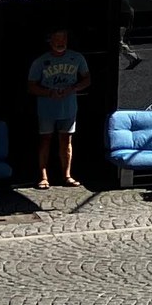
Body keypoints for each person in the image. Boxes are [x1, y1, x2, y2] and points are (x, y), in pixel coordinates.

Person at [25, 26, 90, 188]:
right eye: (57, 39)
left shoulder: (77, 58)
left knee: (66, 140)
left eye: (64, 39)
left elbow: (87, 80)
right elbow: (31, 86)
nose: (61, 43)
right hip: (46, 108)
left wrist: (73, 88)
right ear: (50, 41)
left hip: (68, 108)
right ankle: (43, 176)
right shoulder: (40, 61)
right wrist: (48, 93)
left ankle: (67, 175)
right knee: (45, 140)